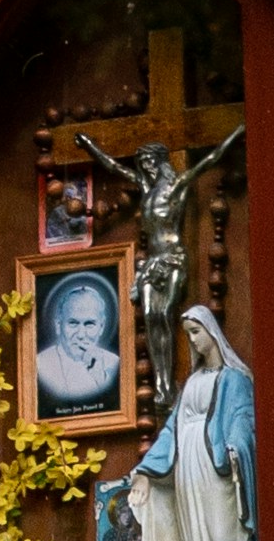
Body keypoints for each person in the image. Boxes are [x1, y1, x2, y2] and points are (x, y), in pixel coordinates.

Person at [99, 306, 257, 541]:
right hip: (188, 471)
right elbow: (171, 430)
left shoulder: (234, 379)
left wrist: (235, 449)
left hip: (218, 470)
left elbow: (243, 418)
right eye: (188, 334)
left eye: (196, 332)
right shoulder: (193, 382)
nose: (193, 340)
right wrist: (145, 472)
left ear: (212, 332)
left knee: (222, 537)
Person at [73, 130, 242, 415]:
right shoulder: (144, 187)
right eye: (142, 163)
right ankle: (163, 386)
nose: (146, 167)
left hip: (173, 258)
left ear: (162, 161)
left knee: (165, 314)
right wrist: (89, 144)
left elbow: (211, 159)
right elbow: (113, 166)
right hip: (153, 262)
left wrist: (236, 132)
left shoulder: (177, 185)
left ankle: (171, 383)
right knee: (151, 316)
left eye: (151, 161)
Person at [34, 270, 122, 413]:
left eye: (89, 324)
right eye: (73, 323)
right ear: (58, 325)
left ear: (101, 327)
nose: (81, 335)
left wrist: (101, 378)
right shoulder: (39, 365)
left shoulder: (115, 364)